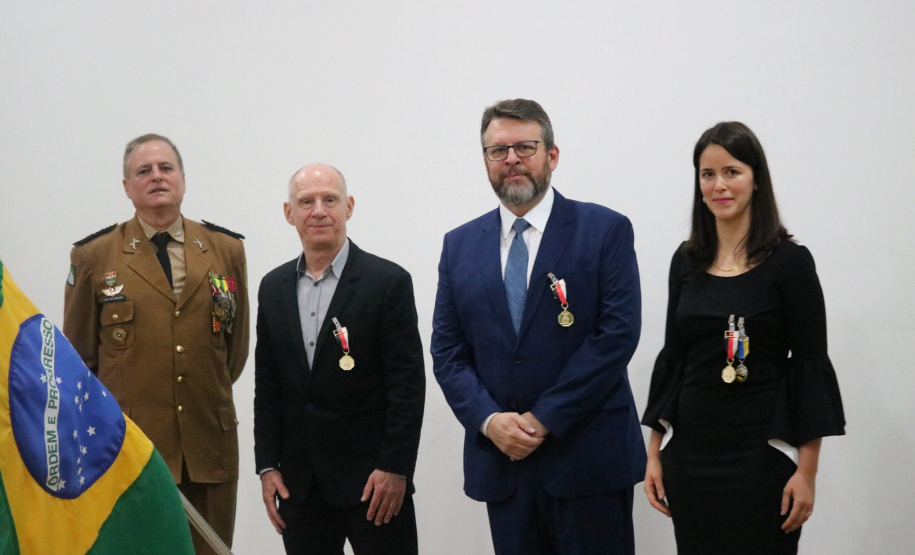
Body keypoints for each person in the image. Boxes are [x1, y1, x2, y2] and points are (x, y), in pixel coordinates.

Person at [431, 99, 645, 555]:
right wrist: (489, 421)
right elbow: (448, 352)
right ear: (485, 161)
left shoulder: (604, 230)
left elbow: (617, 336)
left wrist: (543, 418)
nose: (511, 160)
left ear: (552, 155)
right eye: (497, 150)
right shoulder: (459, 246)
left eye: (525, 147)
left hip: (587, 460)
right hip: (503, 466)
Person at [641, 121, 846, 554]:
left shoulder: (790, 264)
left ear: (756, 180)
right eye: (707, 174)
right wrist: (654, 453)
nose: (719, 185)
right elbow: (674, 357)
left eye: (732, 171)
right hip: (691, 460)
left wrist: (806, 473)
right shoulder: (686, 261)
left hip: (761, 459)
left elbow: (809, 365)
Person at [63, 133, 249, 554]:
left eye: (166, 168)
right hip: (132, 450)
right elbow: (78, 363)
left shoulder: (225, 249)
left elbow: (233, 353)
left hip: (209, 442)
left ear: (183, 178)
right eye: (143, 171)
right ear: (127, 187)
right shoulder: (95, 256)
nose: (157, 177)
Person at [254, 164, 425, 555]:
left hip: (374, 484)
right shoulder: (273, 287)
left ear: (348, 207)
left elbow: (408, 385)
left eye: (329, 199)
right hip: (300, 484)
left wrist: (395, 468)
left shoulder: (388, 282)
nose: (318, 210)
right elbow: (268, 386)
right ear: (289, 213)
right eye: (306, 201)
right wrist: (268, 465)